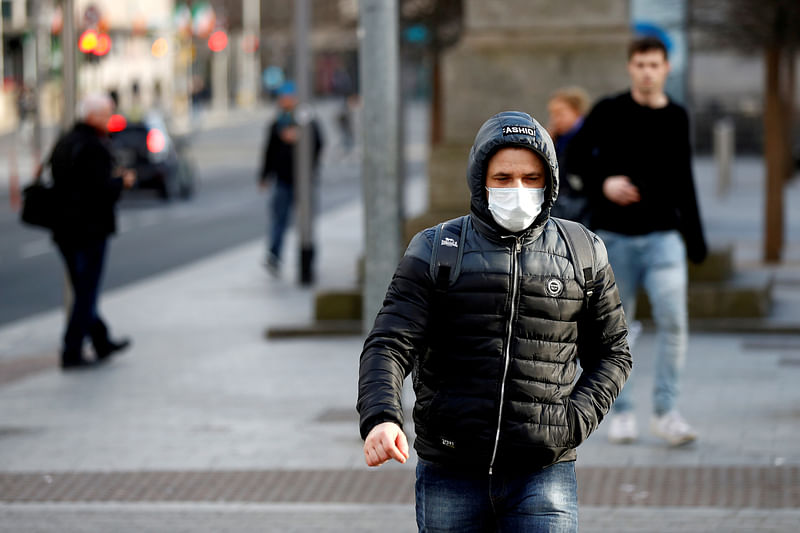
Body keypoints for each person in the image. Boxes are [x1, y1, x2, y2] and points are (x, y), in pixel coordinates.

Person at [358, 111, 631, 532]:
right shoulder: (435, 249)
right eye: (503, 178)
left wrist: (572, 422)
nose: (517, 190)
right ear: (480, 180)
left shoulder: (583, 251)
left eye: (531, 178)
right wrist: (382, 417)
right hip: (451, 469)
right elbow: (388, 344)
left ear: (549, 182)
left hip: (543, 474)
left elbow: (613, 352)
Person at [567, 37, 707, 446]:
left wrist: (696, 238)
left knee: (674, 322)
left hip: (665, 237)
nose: (647, 71)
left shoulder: (677, 117)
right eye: (640, 64)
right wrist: (603, 184)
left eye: (654, 65)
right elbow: (572, 157)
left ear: (666, 69)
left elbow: (685, 181)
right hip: (614, 240)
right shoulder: (609, 111)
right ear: (631, 67)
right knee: (614, 331)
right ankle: (621, 411)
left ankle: (666, 412)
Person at [48, 93, 136, 369]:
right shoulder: (93, 147)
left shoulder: (65, 142)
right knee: (86, 292)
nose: (111, 120)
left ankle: (101, 341)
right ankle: (71, 350)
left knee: (83, 289)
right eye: (108, 114)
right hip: (89, 229)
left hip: (64, 228)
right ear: (94, 116)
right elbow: (100, 192)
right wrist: (122, 182)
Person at [258, 81, 323, 275]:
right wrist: (264, 176)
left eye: (288, 97)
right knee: (279, 219)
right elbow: (268, 151)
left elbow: (319, 143)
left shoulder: (306, 120)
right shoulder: (277, 123)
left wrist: (301, 139)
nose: (285, 101)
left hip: (303, 181)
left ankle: (307, 258)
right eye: (282, 98)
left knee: (306, 223)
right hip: (283, 180)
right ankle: (274, 255)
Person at [547, 87, 591, 226]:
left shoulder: (588, 138)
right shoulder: (558, 139)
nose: (555, 120)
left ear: (576, 112)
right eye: (552, 114)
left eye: (560, 114)